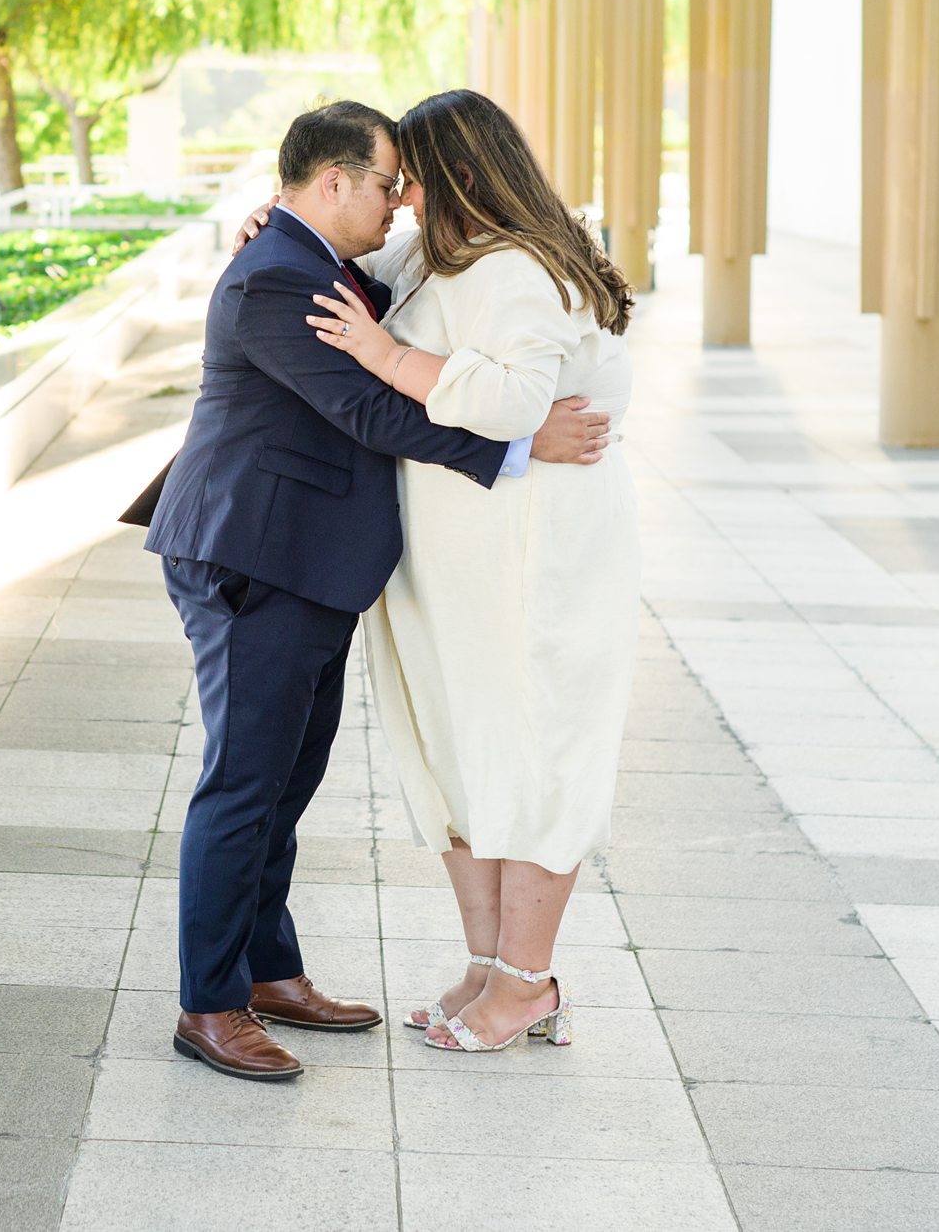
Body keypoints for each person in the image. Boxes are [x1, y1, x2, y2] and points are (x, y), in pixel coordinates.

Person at [129, 100, 611, 1082]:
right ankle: (210, 1003)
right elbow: (365, 406)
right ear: (333, 182)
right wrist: (519, 444)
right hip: (256, 558)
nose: (401, 201)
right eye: (389, 183)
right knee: (243, 784)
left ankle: (268, 971)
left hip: (309, 565)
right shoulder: (278, 279)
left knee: (284, 781)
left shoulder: (334, 264)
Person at [293, 88, 638, 1054]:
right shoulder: (449, 253)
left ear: (463, 176)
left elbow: (513, 395)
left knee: (529, 756)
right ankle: (490, 967)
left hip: (530, 566)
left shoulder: (523, 266)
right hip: (458, 567)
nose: (399, 200)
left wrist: (386, 354)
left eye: (411, 180)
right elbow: (355, 249)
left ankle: (528, 982)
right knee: (464, 755)